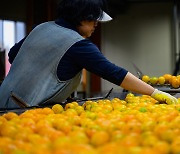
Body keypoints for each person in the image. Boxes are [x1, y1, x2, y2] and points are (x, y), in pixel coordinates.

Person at [0, 0, 178, 109]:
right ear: (80, 16)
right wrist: (155, 93)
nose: (96, 25)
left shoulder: (41, 28)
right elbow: (113, 73)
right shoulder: (78, 45)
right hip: (21, 110)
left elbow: (14, 56)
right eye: (93, 19)